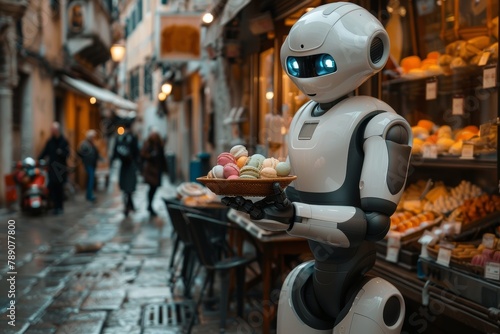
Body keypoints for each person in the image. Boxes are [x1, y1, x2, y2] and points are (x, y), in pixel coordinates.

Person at [222, 3, 412, 333]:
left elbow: (372, 224)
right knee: (292, 289)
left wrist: (292, 215)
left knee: (374, 304)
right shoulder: (302, 116)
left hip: (358, 285)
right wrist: (259, 201)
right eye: (298, 64)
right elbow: (291, 189)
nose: (309, 71)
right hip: (310, 278)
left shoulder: (380, 123)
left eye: (322, 62)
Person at [38, 121, 70, 215]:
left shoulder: (63, 141)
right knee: (52, 187)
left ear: (57, 130)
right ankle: (55, 206)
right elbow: (45, 152)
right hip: (52, 168)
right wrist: (38, 160)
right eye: (51, 130)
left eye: (53, 130)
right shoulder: (50, 141)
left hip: (60, 169)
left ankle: (60, 207)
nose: (52, 131)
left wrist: (61, 153)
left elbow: (67, 154)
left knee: (59, 188)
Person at [111, 122, 140, 217]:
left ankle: (128, 206)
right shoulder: (132, 138)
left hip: (124, 166)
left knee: (126, 188)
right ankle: (129, 206)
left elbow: (114, 153)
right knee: (129, 188)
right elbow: (137, 153)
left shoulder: (119, 138)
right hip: (130, 166)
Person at [140, 128, 167, 217]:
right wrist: (150, 156)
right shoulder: (148, 144)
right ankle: (150, 206)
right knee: (152, 188)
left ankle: (150, 205)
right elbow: (143, 154)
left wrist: (165, 168)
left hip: (157, 170)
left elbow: (162, 157)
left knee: (154, 188)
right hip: (151, 170)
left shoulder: (159, 145)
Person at [77, 129, 102, 203]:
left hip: (92, 164)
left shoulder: (92, 144)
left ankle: (89, 194)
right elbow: (80, 153)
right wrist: (84, 160)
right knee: (91, 179)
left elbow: (96, 153)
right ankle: (89, 195)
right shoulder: (85, 144)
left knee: (91, 179)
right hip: (88, 164)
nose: (93, 138)